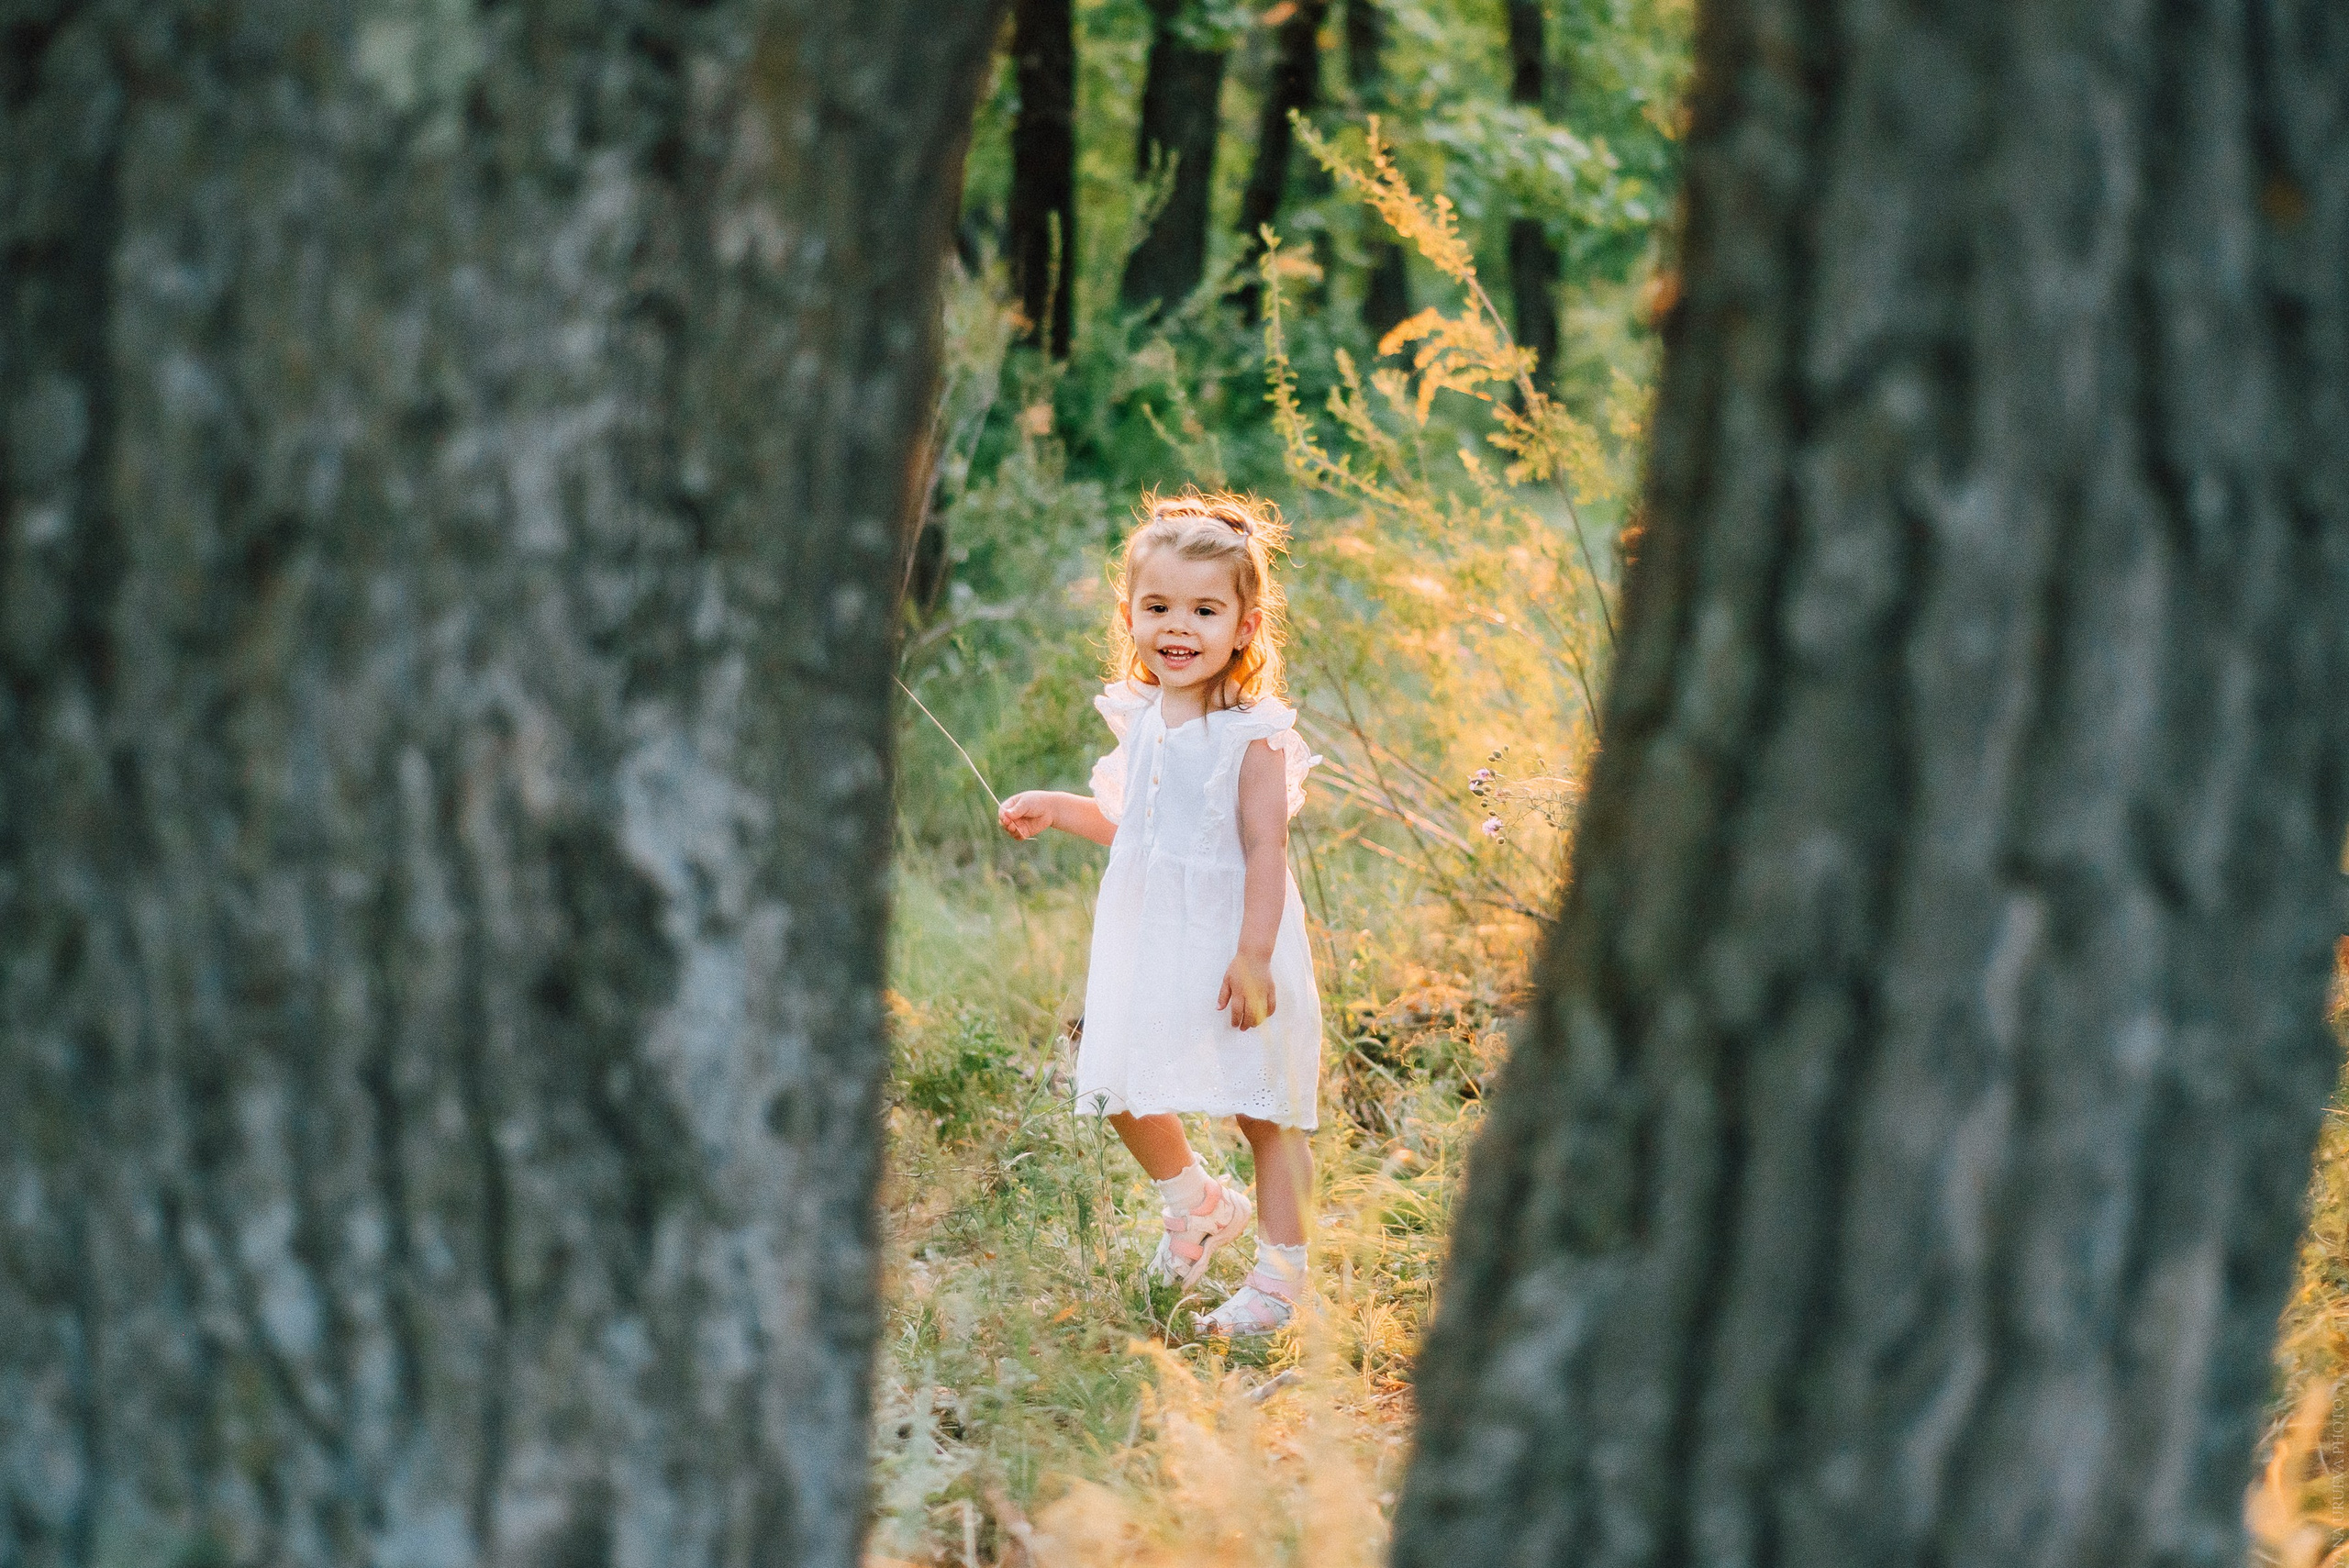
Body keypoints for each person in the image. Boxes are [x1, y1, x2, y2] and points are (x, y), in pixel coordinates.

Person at [997, 487, 1323, 1335]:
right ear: (1130, 615)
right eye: (1158, 607)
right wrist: (1059, 807)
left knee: (1265, 1109)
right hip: (1153, 940)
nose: (1179, 627)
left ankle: (1280, 1282)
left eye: (1205, 610)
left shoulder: (1251, 734)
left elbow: (1265, 848)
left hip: (1234, 943)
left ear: (1245, 627)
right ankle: (1197, 1204)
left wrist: (1254, 954)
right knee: (1117, 1077)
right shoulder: (1144, 715)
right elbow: (1138, 828)